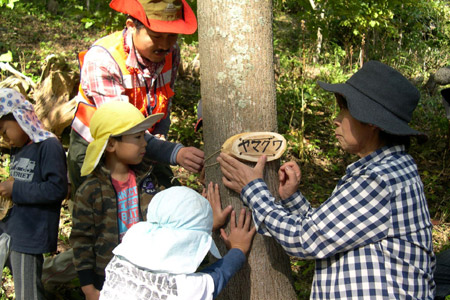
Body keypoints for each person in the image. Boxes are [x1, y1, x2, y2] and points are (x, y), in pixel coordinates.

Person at [217, 61, 436, 299]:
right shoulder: (391, 168)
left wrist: (253, 190)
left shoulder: (379, 179)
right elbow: (332, 232)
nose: (336, 120)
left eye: (345, 111)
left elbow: (305, 239)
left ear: (372, 122)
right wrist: (292, 200)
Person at [69, 0, 203, 198]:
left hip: (143, 143)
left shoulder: (170, 53)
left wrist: (160, 135)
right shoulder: (103, 59)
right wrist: (174, 153)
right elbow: (121, 130)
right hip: (100, 147)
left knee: (163, 201)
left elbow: (165, 99)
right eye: (156, 36)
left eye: (172, 36)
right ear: (132, 27)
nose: (165, 45)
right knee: (102, 215)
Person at [70, 101, 166, 300]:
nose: (145, 143)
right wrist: (89, 288)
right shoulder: (91, 191)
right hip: (106, 279)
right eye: (138, 137)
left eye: (144, 136)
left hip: (147, 275)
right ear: (111, 144)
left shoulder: (148, 179)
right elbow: (82, 240)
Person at [100, 185, 256, 300]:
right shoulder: (185, 289)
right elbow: (217, 276)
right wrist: (238, 249)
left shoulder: (120, 260)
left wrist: (205, 225)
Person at [0, 88, 68, 300]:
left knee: (27, 293)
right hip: (12, 230)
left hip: (30, 235)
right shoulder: (20, 148)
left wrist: (15, 189)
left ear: (19, 117)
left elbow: (57, 189)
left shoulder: (48, 146)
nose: (4, 138)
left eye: (4, 131)